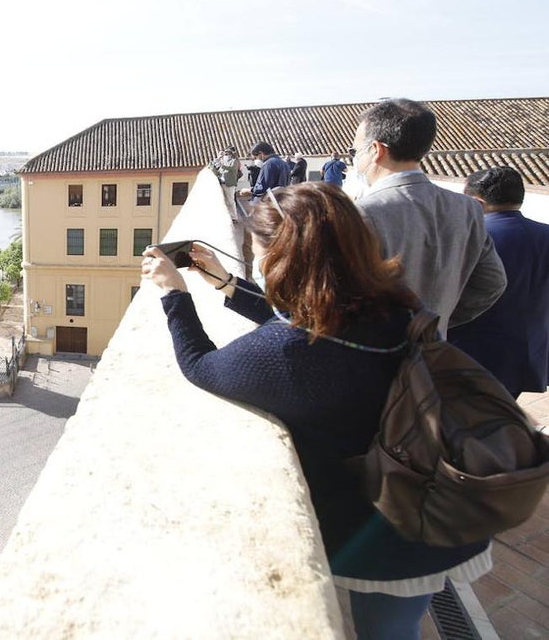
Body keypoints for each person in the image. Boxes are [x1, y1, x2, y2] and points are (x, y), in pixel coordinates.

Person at [141, 183, 490, 640]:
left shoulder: (288, 353)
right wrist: (227, 283)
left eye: (260, 248)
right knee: (403, 624)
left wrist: (174, 293)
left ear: (281, 257)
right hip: (452, 494)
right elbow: (307, 319)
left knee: (385, 633)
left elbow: (202, 366)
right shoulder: (393, 303)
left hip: (394, 531)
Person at [351, 98, 506, 337]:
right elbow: (492, 282)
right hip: (433, 355)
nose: (355, 161)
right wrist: (434, 322)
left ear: (376, 150)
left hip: (373, 359)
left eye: (355, 151)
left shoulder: (361, 213)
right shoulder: (467, 209)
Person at [448, 167, 549, 399]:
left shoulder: (471, 236)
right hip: (530, 352)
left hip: (473, 351)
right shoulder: (545, 235)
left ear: (476, 201)